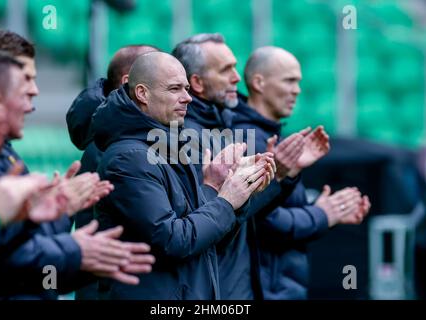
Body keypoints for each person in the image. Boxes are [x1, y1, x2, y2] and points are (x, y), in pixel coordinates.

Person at [0, 31, 155, 299]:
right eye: (25, 79)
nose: (34, 90)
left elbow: (27, 261)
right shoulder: (114, 150)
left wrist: (62, 219)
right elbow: (4, 263)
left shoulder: (5, 157)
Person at [92, 51, 269, 299]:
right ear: (142, 93)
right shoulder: (129, 158)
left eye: (186, 88)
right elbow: (172, 240)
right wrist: (227, 200)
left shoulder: (170, 145)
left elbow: (205, 239)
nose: (187, 98)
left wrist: (227, 187)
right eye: (175, 89)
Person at [173, 33, 307, 299]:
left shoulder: (220, 127)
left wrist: (279, 176)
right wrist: (279, 176)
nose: (237, 77)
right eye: (226, 70)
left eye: (235, 67)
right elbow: (207, 225)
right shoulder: (187, 138)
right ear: (197, 83)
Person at [234, 45, 371, 299]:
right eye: (289, 81)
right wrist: (322, 214)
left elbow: (274, 207)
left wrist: (325, 209)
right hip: (265, 289)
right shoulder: (246, 140)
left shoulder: (268, 136)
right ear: (258, 83)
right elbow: (261, 221)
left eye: (298, 82)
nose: (297, 90)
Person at [66, 44, 159, 229]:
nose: (184, 95)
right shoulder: (110, 148)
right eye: (162, 76)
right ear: (129, 83)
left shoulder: (139, 136)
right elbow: (162, 230)